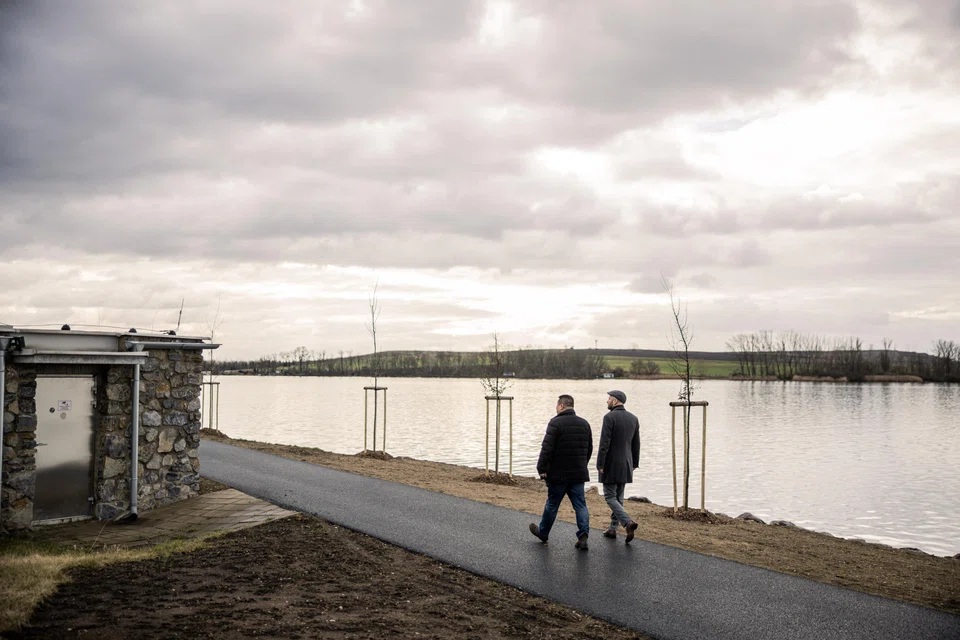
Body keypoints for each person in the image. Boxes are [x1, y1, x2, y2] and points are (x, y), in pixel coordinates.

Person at [529, 394, 593, 550]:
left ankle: (543, 532)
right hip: (578, 473)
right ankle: (583, 535)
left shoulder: (555, 423)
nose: (556, 408)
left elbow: (547, 448)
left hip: (558, 474)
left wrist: (541, 468)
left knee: (552, 504)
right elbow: (589, 449)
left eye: (557, 405)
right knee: (580, 505)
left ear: (561, 406)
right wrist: (582, 465)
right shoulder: (584, 424)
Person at [596, 390, 641, 543]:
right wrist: (635, 463)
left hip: (611, 463)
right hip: (627, 463)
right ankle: (612, 529)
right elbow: (636, 444)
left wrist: (600, 464)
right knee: (619, 497)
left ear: (615, 401)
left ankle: (627, 523)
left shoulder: (609, 417)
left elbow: (604, 443)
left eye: (609, 399)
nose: (607, 401)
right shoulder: (633, 418)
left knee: (610, 496)